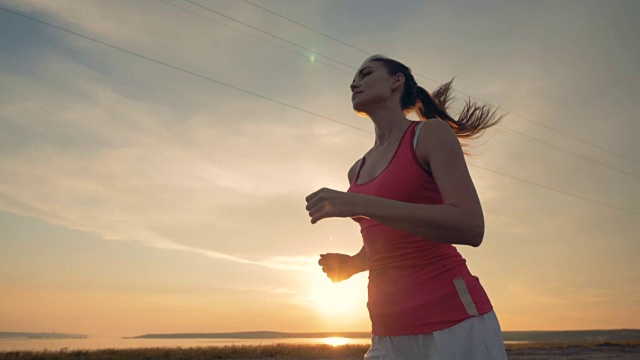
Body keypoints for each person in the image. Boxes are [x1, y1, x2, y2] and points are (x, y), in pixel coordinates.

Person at [305, 55, 508, 359]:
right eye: (354, 77)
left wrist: (361, 203)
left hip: (452, 322)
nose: (353, 82)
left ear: (396, 81)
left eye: (366, 73)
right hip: (387, 330)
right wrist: (351, 265)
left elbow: (470, 225)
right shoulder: (356, 170)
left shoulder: (429, 135)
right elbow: (386, 244)